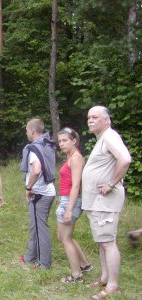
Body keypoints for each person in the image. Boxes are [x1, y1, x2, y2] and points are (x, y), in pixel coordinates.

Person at [82, 106, 131, 300]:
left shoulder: (110, 136)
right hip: (97, 201)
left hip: (105, 201)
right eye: (88, 117)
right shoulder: (102, 138)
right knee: (102, 242)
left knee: (108, 242)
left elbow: (125, 159)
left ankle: (113, 285)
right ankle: (104, 278)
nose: (90, 120)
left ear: (106, 120)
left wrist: (111, 183)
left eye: (95, 117)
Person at [56, 127, 92, 283]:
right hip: (66, 199)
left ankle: (76, 275)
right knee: (64, 237)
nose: (61, 144)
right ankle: (85, 264)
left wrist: (69, 209)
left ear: (74, 141)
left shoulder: (76, 158)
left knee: (65, 238)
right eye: (59, 141)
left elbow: (76, 185)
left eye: (65, 140)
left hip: (71, 200)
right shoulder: (70, 156)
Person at [19, 118, 56, 269]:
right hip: (48, 191)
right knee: (36, 226)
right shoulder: (47, 144)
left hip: (39, 194)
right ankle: (30, 256)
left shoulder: (34, 148)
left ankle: (44, 264)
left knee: (41, 229)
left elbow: (36, 169)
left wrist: (28, 188)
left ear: (32, 131)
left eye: (27, 130)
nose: (27, 132)